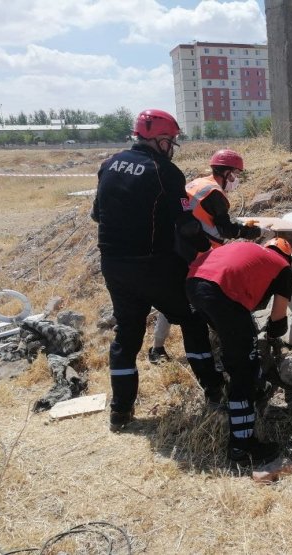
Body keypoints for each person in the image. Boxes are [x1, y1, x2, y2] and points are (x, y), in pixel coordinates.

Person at [92, 108, 224, 432]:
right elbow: (186, 226)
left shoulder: (108, 165)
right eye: (172, 141)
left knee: (127, 334)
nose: (172, 146)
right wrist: (208, 250)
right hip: (154, 265)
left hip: (113, 265)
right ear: (161, 139)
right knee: (193, 320)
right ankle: (215, 392)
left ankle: (120, 412)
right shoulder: (165, 171)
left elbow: (97, 215)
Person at [149, 148, 269, 361]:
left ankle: (157, 347)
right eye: (236, 174)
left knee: (173, 298)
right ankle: (220, 341)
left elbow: (205, 218)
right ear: (227, 173)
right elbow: (225, 230)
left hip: (174, 246)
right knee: (207, 297)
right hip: (194, 251)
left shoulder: (198, 183)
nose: (236, 179)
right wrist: (254, 231)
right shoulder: (215, 193)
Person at [186, 237, 292, 465]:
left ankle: (242, 392)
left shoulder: (246, 249)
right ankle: (242, 447)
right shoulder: (282, 267)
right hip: (221, 294)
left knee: (235, 349)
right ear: (288, 258)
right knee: (244, 370)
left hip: (194, 284)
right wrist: (273, 337)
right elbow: (278, 318)